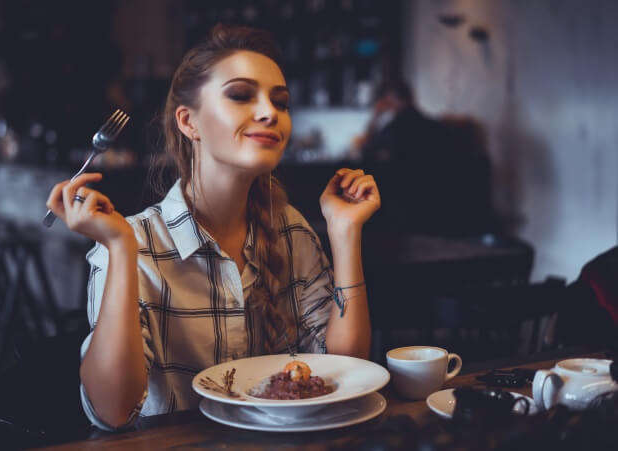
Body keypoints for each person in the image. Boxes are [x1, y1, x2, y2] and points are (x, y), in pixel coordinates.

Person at [45, 24, 381, 430]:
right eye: (241, 95)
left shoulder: (291, 231)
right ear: (189, 122)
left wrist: (344, 234)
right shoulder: (135, 243)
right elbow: (113, 411)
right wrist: (119, 247)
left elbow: (345, 368)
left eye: (281, 101)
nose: (269, 112)